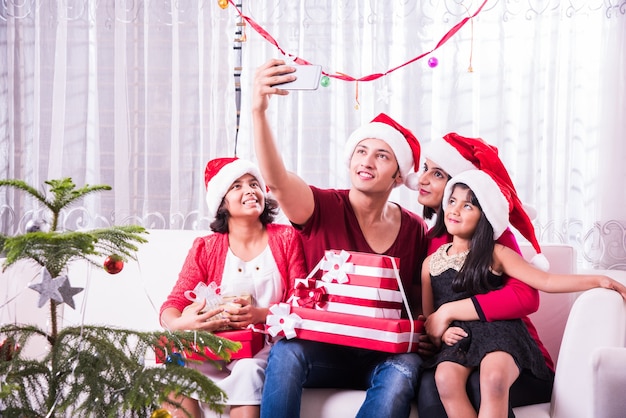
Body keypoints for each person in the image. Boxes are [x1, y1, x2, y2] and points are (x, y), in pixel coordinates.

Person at [251, 58, 430, 418]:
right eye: (361, 151)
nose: (367, 161)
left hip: (382, 355)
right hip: (323, 352)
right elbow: (279, 179)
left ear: (398, 176)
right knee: (287, 351)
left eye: (382, 156)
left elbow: (418, 302)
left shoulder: (414, 229)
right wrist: (258, 111)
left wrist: (424, 328)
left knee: (406, 366)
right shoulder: (320, 207)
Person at [421, 169, 626, 418]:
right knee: (444, 379)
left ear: (484, 217)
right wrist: (441, 333)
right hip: (459, 339)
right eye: (452, 201)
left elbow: (546, 281)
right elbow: (429, 318)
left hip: (499, 333)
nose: (455, 210)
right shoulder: (430, 263)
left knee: (494, 378)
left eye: (468, 206)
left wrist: (599, 279)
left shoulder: (496, 253)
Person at [416, 133, 554, 417]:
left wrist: (450, 311)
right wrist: (432, 331)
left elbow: (526, 295)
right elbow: (425, 306)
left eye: (438, 173)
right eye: (424, 168)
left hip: (503, 347)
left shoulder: (493, 238)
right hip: (456, 350)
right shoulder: (428, 241)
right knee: (433, 393)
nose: (423, 179)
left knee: (482, 385)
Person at [159, 157, 307, 418]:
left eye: (253, 184)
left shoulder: (286, 238)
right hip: (214, 348)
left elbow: (302, 302)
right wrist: (182, 324)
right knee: (176, 367)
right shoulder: (206, 247)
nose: (250, 190)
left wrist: (261, 314)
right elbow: (172, 305)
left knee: (248, 370)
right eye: (236, 186)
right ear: (222, 203)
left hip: (261, 349)